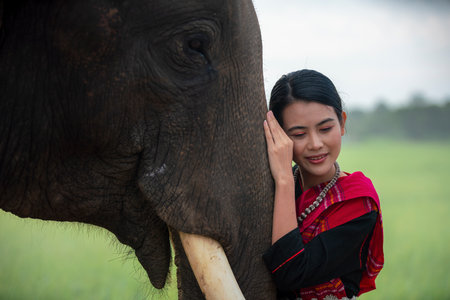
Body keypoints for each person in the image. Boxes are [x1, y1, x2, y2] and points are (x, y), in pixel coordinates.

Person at [262, 69, 383, 300]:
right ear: (278, 135)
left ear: (342, 123)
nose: (316, 144)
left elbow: (291, 272)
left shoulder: (358, 201)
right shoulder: (273, 186)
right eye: (299, 134)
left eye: (325, 129)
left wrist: (284, 180)